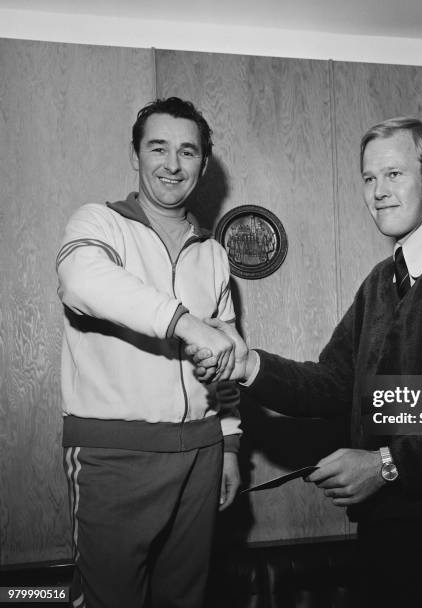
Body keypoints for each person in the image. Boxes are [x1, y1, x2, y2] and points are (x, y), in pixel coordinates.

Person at [191, 117, 422, 606]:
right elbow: (333, 384)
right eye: (368, 178)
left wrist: (387, 464)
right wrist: (248, 364)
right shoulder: (380, 282)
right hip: (387, 547)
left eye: (394, 174)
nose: (378, 191)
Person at [56, 97, 241, 608]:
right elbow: (80, 280)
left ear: (203, 163)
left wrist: (228, 445)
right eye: (157, 148)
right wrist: (185, 325)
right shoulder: (99, 222)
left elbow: (225, 355)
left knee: (185, 599)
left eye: (188, 151)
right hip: (114, 455)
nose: (172, 164)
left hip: (202, 454)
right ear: (135, 155)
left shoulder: (213, 253)